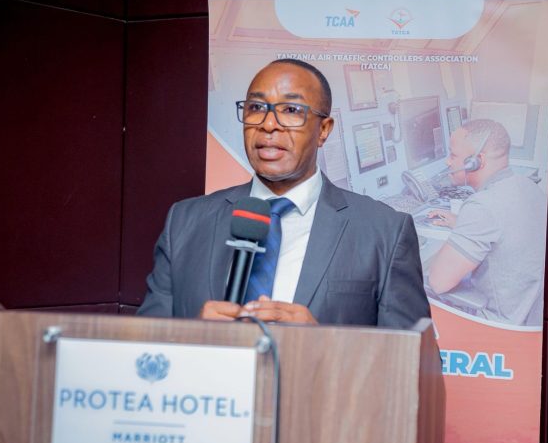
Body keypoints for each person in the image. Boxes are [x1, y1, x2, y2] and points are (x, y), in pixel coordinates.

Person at [137, 59, 430, 328]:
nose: (268, 124)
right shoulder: (184, 222)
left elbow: (414, 360)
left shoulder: (385, 232)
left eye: (291, 110)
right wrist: (192, 336)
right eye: (256, 108)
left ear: (324, 129)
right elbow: (142, 350)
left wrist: (324, 345)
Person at [427, 119, 546, 326]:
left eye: (453, 155)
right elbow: (509, 228)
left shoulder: (482, 206)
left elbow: (438, 282)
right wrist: (462, 224)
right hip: (531, 320)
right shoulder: (529, 186)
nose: (448, 162)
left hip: (498, 328)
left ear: (476, 161)